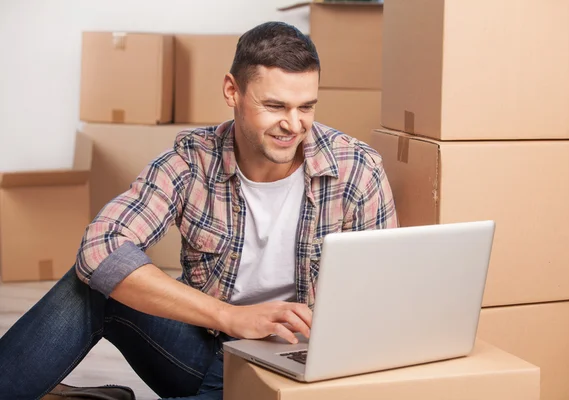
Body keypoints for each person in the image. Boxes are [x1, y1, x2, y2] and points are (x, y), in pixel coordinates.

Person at [0, 21, 397, 400]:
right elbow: (101, 248)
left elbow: (380, 297)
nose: (293, 125)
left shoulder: (356, 169)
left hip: (293, 365)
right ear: (232, 91)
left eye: (306, 107)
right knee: (91, 284)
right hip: (203, 349)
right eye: (275, 105)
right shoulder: (192, 159)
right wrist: (229, 317)